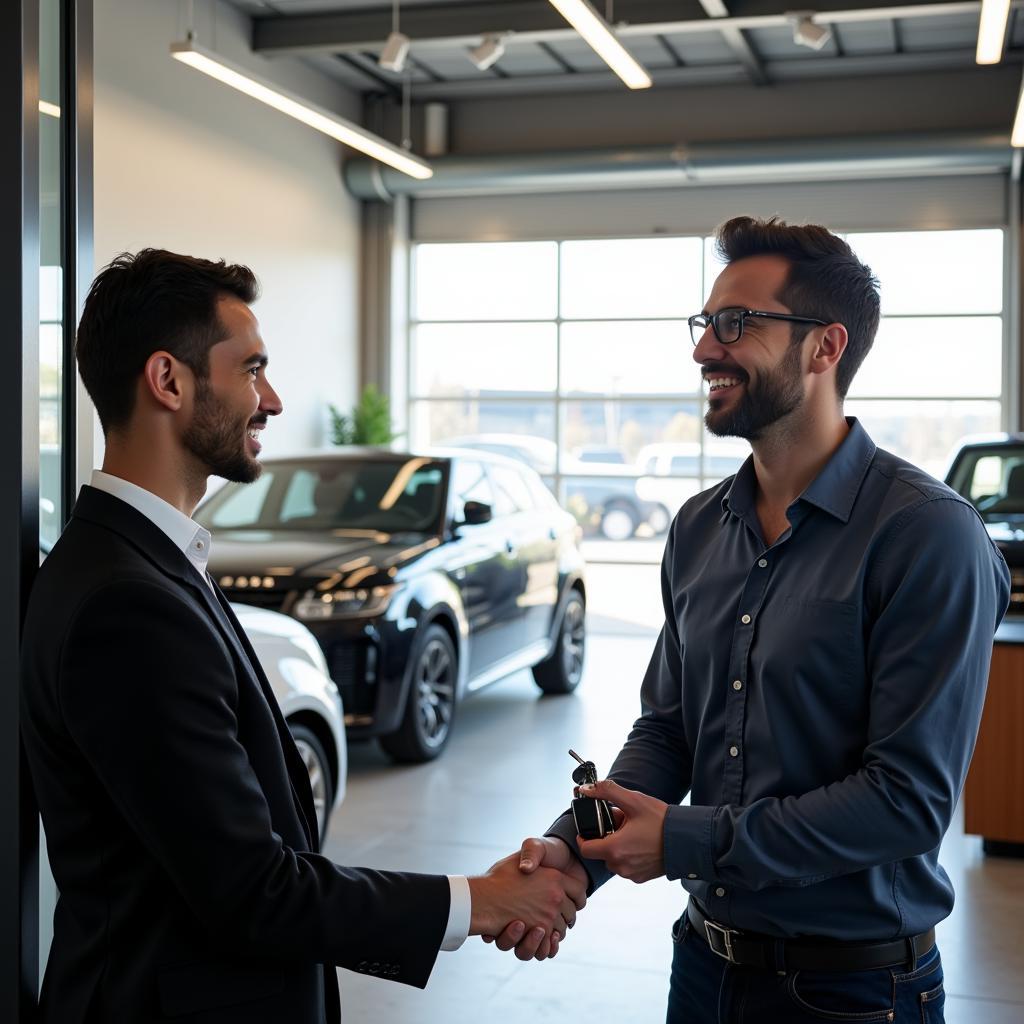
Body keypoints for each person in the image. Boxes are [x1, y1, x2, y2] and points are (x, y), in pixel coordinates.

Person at [20, 249, 585, 1024]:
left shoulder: (137, 562)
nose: (273, 399)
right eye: (251, 369)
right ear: (169, 381)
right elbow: (252, 889)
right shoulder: (127, 602)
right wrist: (477, 902)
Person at [488, 216, 1010, 1022]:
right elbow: (668, 731)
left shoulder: (926, 534)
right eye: (704, 324)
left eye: (736, 324)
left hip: (854, 992)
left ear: (824, 347)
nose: (704, 350)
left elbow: (905, 801)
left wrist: (687, 840)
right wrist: (572, 850)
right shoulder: (699, 526)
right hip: (704, 964)